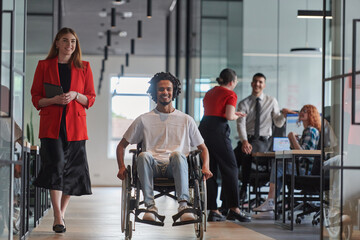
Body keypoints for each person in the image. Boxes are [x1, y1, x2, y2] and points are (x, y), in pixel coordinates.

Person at [116, 72, 212, 222]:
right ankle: (150, 207)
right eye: (161, 89)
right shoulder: (143, 120)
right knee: (143, 155)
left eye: (168, 89)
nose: (165, 92)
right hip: (152, 166)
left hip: (177, 166)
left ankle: (183, 206)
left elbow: (203, 148)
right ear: (155, 92)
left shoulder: (186, 120)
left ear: (174, 92)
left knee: (177, 154)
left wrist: (205, 167)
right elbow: (121, 146)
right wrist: (121, 167)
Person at [30, 27, 96, 233]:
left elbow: (91, 98)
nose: (70, 45)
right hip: (52, 126)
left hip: (76, 126)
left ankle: (61, 214)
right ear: (57, 43)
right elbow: (35, 97)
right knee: (57, 165)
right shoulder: (44, 65)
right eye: (65, 41)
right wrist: (53, 100)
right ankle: (58, 216)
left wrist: (76, 94)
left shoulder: (84, 67)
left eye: (73, 42)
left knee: (73, 171)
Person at [198, 68, 250, 222]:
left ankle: (213, 210)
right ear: (232, 82)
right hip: (218, 130)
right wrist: (236, 115)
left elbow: (212, 110)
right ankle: (234, 208)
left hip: (204, 129)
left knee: (210, 170)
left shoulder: (210, 92)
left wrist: (233, 114)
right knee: (231, 168)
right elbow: (228, 115)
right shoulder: (230, 94)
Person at [235, 73, 293, 200]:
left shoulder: (271, 101)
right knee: (231, 158)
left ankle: (244, 188)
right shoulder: (244, 103)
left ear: (264, 85)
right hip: (248, 139)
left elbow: (278, 122)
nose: (257, 84)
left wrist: (283, 115)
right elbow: (240, 124)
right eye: (255, 81)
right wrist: (244, 141)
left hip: (263, 141)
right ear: (251, 83)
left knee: (246, 154)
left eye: (260, 82)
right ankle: (230, 197)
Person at [253, 104, 321, 212]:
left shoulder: (310, 130)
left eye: (305, 111)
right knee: (279, 166)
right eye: (301, 110)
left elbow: (302, 154)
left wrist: (291, 137)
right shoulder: (309, 130)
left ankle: (270, 201)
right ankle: (271, 203)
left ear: (311, 115)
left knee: (278, 165)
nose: (302, 113)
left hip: (304, 170)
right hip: (304, 167)